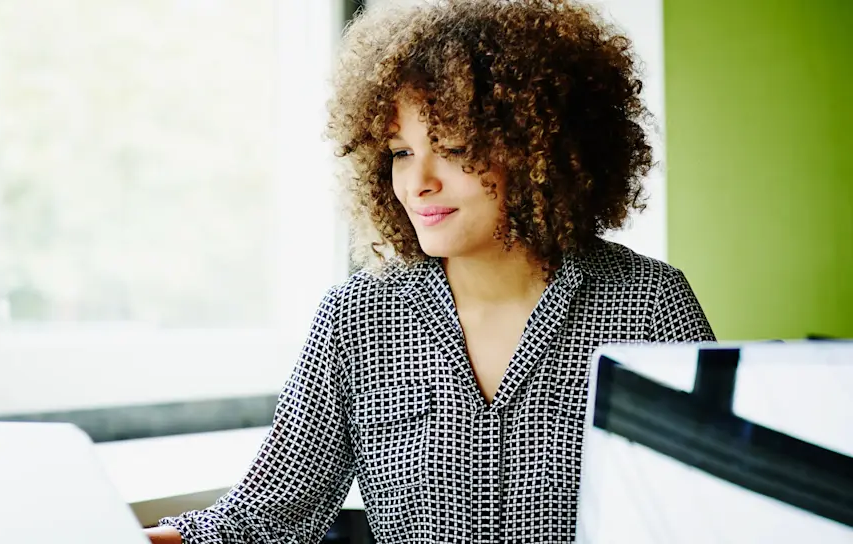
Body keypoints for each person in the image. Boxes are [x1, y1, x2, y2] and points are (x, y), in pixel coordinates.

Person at [147, 0, 714, 542]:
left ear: (538, 148)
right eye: (399, 152)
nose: (418, 182)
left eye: (453, 146)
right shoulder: (356, 319)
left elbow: (708, 512)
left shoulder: (650, 304)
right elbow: (263, 520)